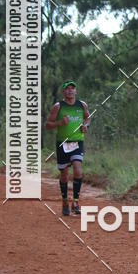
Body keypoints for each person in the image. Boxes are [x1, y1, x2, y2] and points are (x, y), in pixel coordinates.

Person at [45, 81, 90, 217]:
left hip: (77, 142)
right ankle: (65, 201)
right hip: (62, 143)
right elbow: (47, 125)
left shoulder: (82, 105)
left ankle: (75, 202)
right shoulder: (58, 107)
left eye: (72, 89)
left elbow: (88, 118)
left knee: (77, 169)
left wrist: (86, 126)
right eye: (67, 89)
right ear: (63, 92)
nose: (70, 91)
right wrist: (59, 123)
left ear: (76, 92)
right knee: (64, 174)